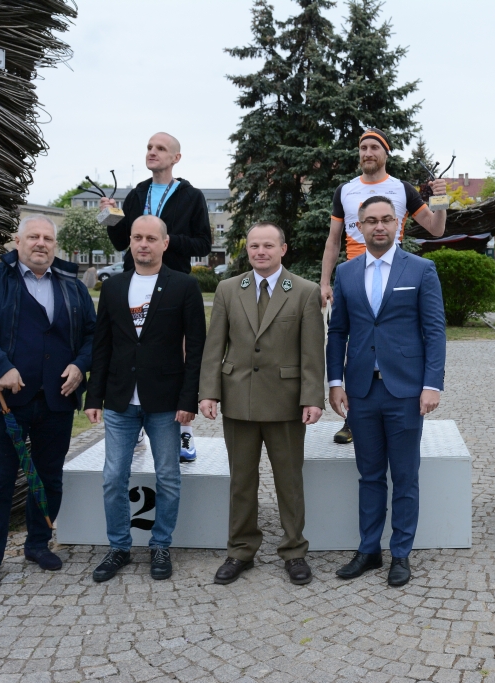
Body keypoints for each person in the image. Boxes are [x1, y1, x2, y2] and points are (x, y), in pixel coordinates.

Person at [0, 215, 96, 593]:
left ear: (55, 245)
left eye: (48, 238)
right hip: (6, 402)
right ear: (17, 241)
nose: (41, 243)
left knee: (49, 477)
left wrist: (80, 365)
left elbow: (93, 335)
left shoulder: (71, 285)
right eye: (33, 236)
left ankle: (37, 544)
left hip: (56, 399)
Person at [326, 195, 446, 587]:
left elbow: (434, 331)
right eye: (371, 221)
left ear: (398, 224)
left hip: (406, 391)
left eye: (386, 220)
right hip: (361, 390)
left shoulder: (421, 269)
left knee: (405, 475)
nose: (379, 226)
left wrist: (431, 385)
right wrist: (335, 382)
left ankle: (401, 554)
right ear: (358, 227)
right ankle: (368, 550)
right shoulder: (346, 273)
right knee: (370, 474)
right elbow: (338, 331)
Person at [198, 222, 325, 586]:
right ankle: (240, 550)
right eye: (254, 246)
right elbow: (214, 346)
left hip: (286, 403)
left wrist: (312, 397)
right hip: (238, 400)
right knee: (241, 481)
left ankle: (294, 551)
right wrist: (208, 392)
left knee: (289, 481)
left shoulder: (304, 291)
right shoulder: (228, 289)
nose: (260, 252)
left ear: (283, 249)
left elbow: (312, 352)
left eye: (268, 245)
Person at [84, 215, 207, 583]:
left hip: (166, 401)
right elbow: (102, 345)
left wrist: (189, 399)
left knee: (168, 476)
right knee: (112, 477)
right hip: (120, 400)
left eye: (151, 238)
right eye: (137, 237)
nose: (143, 244)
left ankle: (161, 545)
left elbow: (196, 348)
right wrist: (94, 396)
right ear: (130, 242)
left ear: (165, 243)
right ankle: (119, 547)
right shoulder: (113, 286)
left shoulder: (184, 286)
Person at [319, 128, 449, 446]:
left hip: (393, 274)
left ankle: (400, 410)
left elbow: (435, 229)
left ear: (385, 153)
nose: (367, 152)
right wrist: (325, 281)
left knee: (394, 339)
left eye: (374, 147)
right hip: (354, 277)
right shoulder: (345, 190)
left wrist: (440, 199)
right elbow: (333, 240)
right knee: (353, 342)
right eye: (363, 147)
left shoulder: (402, 189)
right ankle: (353, 418)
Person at [100, 132, 210, 463]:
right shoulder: (138, 193)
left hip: (174, 284)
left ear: (176, 158)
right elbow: (122, 242)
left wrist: (164, 240)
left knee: (179, 353)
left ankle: (184, 429)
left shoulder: (191, 196)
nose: (152, 152)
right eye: (149, 147)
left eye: (160, 148)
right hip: (135, 280)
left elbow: (203, 244)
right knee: (131, 348)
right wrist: (111, 217)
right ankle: (133, 423)